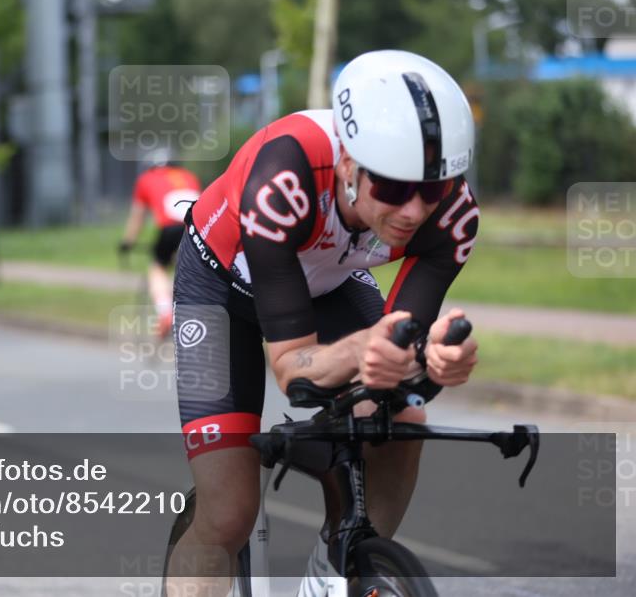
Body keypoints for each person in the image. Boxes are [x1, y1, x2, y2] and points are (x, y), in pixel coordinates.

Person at [164, 50, 481, 596]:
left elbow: (401, 340)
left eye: (430, 189)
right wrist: (364, 349)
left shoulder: (453, 217)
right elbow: (292, 366)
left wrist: (431, 358)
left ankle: (340, 567)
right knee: (229, 512)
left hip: (326, 281)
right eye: (392, 188)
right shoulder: (284, 173)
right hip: (220, 285)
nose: (412, 212)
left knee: (403, 418)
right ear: (348, 166)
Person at [119, 150, 202, 337]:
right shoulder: (188, 176)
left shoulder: (146, 179)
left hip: (170, 229)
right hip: (197, 227)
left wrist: (128, 241)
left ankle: (166, 313)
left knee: (157, 268)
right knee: (194, 268)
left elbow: (137, 216)